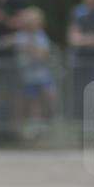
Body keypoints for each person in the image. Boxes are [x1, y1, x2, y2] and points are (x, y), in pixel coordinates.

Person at [12, 7, 55, 138]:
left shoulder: (41, 36)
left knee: (49, 97)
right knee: (31, 102)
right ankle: (31, 126)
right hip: (27, 76)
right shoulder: (20, 36)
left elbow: (42, 55)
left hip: (42, 75)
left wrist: (28, 48)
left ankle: (44, 124)